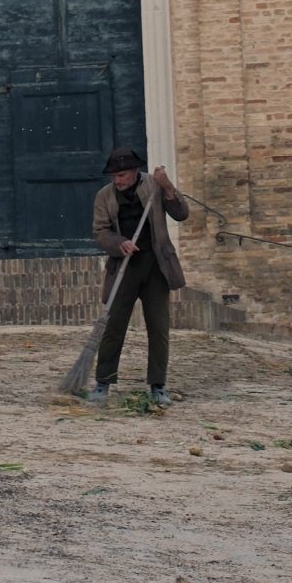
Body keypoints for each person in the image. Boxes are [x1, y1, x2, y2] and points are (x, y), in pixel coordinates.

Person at [87, 145, 189, 407]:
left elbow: (181, 214)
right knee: (114, 326)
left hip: (156, 267)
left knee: (158, 328)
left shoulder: (154, 186)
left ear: (134, 172)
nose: (117, 180)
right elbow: (100, 232)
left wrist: (168, 187)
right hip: (124, 267)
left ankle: (158, 386)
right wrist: (118, 243)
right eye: (114, 176)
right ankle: (103, 382)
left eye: (122, 175)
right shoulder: (104, 196)